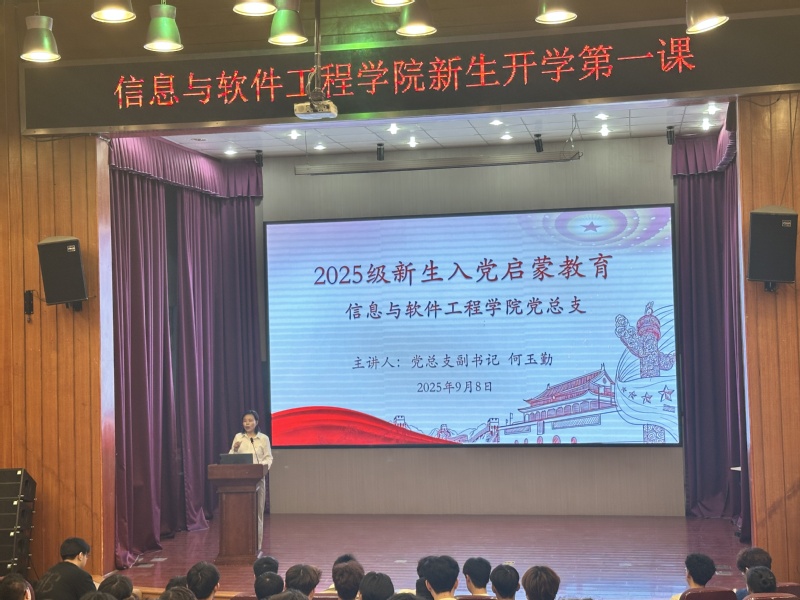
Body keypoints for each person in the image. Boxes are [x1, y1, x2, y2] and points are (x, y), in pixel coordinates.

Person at [230, 409, 273, 548]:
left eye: (250, 420)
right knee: (241, 514)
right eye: (244, 421)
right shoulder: (238, 437)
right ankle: (241, 545)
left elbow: (268, 458)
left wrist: (261, 469)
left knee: (257, 513)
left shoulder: (263, 438)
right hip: (240, 480)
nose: (247, 423)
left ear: (256, 422)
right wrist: (235, 449)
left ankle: (257, 546)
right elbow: (230, 458)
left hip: (258, 479)